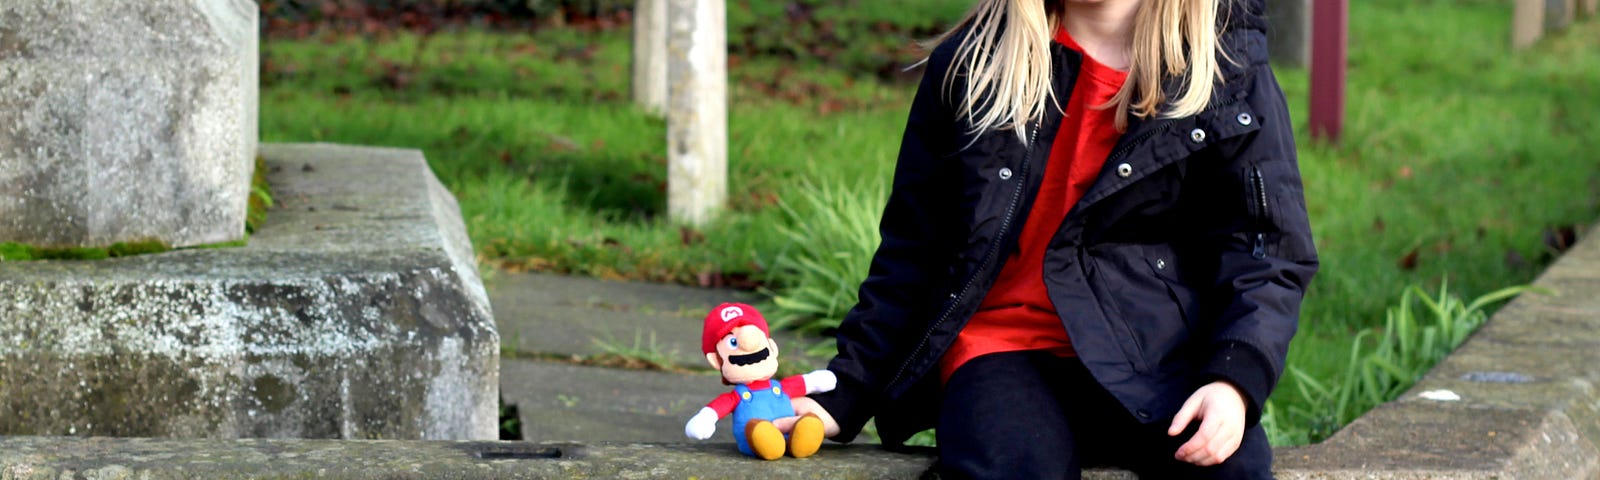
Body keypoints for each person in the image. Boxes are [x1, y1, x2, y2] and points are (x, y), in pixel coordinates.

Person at [769, 0, 1318, 478]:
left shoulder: (1225, 68)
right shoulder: (973, 64)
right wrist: (845, 389)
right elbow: (913, 251)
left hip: (1155, 353)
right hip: (1004, 352)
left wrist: (1234, 378)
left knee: (1232, 467)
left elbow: (1267, 249)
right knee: (1010, 463)